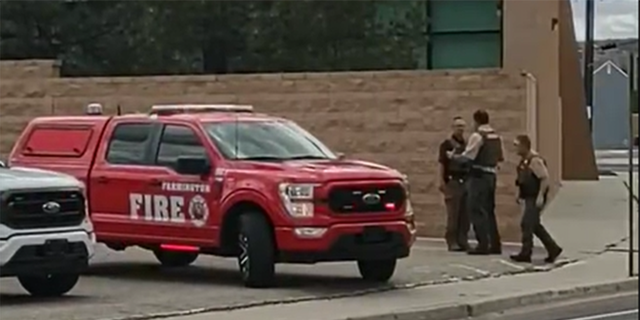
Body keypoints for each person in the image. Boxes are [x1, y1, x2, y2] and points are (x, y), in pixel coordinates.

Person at [449, 110, 503, 255]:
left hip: (479, 176)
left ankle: (483, 244)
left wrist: (454, 157)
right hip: (492, 175)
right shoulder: (495, 136)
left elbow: (469, 156)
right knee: (489, 210)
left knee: (476, 209)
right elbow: (500, 157)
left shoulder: (478, 136)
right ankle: (495, 243)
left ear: (476, 121)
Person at [510, 134, 563, 263]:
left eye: (517, 145)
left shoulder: (534, 161)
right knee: (535, 225)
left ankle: (526, 253)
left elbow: (544, 178)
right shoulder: (524, 161)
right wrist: (519, 194)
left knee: (527, 224)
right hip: (528, 196)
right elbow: (522, 180)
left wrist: (540, 196)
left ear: (524, 146)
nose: (515, 148)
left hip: (535, 197)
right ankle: (553, 248)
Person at [438, 117, 470, 252]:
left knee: (465, 213)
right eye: (457, 126)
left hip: (466, 181)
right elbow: (441, 163)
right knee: (453, 213)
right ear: (452, 127)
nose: (460, 129)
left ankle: (463, 240)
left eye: (462, 126)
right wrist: (441, 180)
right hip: (452, 181)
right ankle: (452, 241)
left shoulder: (468, 145)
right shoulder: (446, 145)